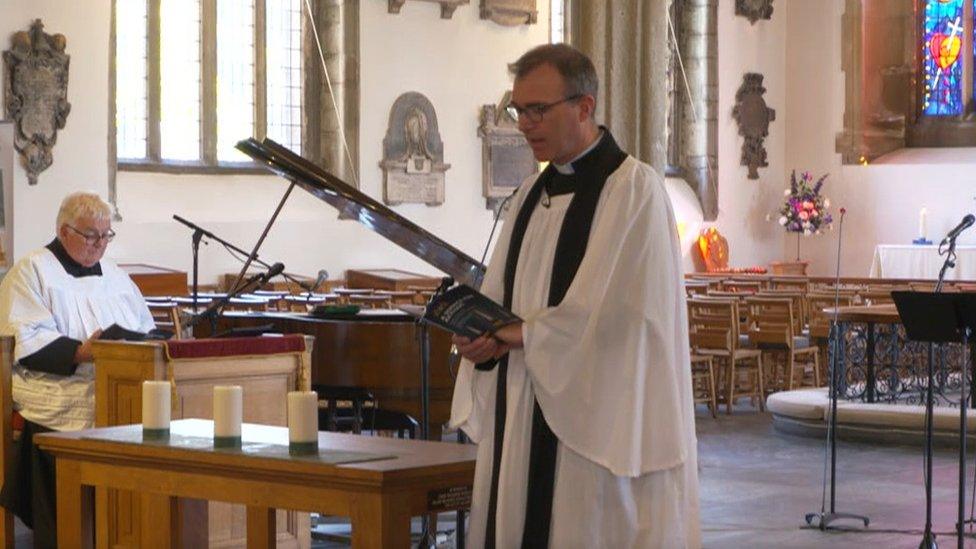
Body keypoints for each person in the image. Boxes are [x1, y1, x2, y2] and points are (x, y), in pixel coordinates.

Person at [449, 44, 700, 548]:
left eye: (538, 109)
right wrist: (480, 344)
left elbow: (623, 315)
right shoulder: (525, 197)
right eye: (518, 109)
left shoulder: (634, 190)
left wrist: (518, 334)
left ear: (585, 107)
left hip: (593, 424)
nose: (524, 123)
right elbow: (498, 302)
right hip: (521, 406)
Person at [0, 191, 155, 548]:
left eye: (106, 236)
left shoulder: (116, 276)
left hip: (116, 378)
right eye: (90, 235)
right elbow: (24, 340)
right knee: (88, 408)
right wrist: (81, 352)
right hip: (53, 379)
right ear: (64, 230)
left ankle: (124, 532)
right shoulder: (33, 269)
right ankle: (68, 531)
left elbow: (145, 328)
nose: (99, 245)